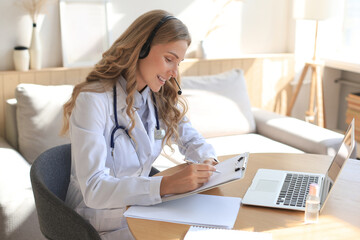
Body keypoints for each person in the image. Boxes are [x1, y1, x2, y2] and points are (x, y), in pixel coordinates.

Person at [61, 9, 218, 240]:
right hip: (98, 224)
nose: (174, 73)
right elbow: (94, 189)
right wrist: (164, 185)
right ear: (141, 48)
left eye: (179, 63)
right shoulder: (93, 100)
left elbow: (192, 139)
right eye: (169, 59)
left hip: (140, 212)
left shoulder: (158, 97)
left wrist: (207, 160)